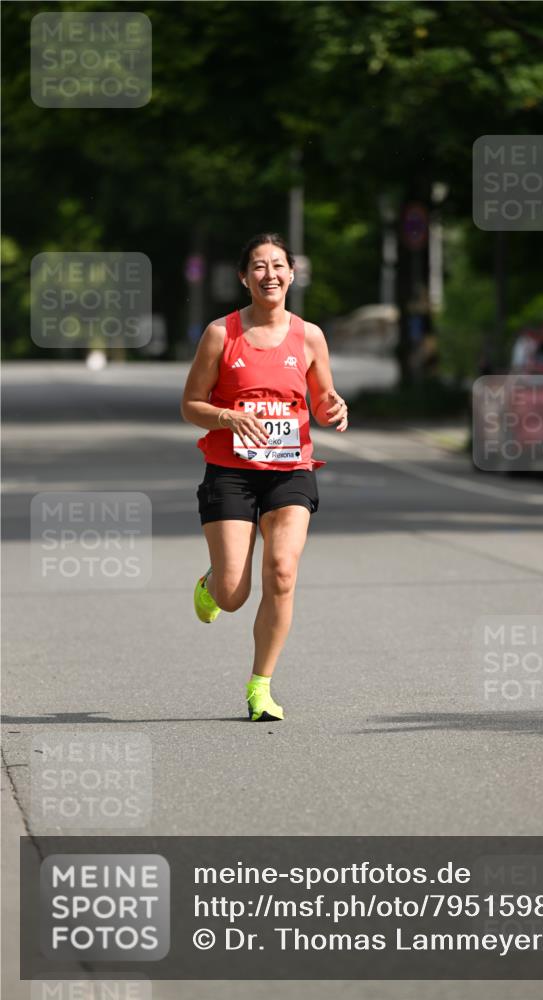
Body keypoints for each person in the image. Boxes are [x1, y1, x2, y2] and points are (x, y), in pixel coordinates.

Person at [181, 233, 348, 722]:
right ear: (244, 277)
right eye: (259, 266)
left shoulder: (310, 336)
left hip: (290, 471)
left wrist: (333, 407)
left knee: (282, 571)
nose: (269, 274)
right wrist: (228, 417)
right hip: (230, 472)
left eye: (278, 265)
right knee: (234, 595)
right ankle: (212, 583)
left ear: (292, 275)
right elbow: (190, 405)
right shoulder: (221, 334)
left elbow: (321, 399)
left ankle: (261, 686)